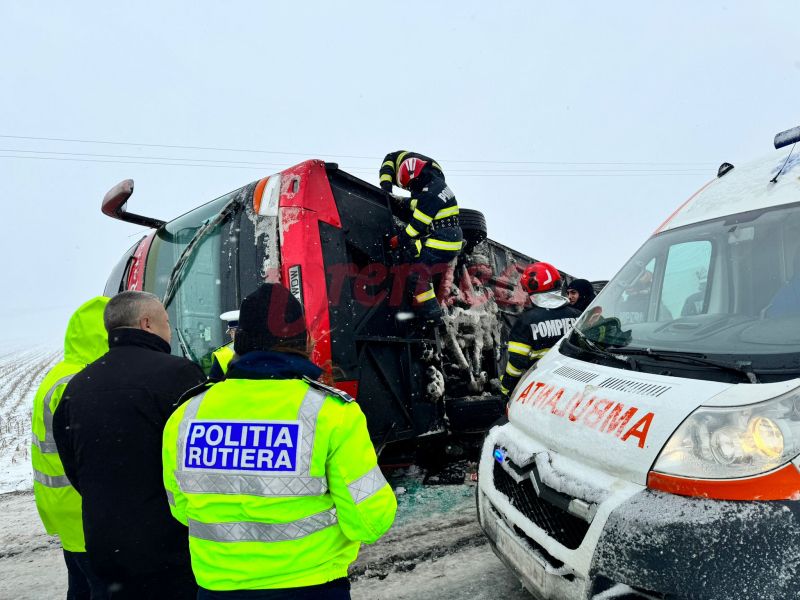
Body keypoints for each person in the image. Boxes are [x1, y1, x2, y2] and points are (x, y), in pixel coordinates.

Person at [163, 283, 397, 599]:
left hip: (217, 588)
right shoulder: (330, 413)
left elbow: (180, 508)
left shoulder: (186, 414)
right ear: (302, 342)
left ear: (239, 343)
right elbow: (369, 522)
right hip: (310, 586)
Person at [53, 291, 206, 600]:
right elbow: (197, 458)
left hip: (105, 547)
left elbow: (73, 466)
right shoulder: (178, 374)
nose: (170, 330)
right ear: (146, 323)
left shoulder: (78, 385)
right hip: (171, 548)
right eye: (166, 322)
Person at [32, 296, 110, 600]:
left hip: (62, 505)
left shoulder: (59, 374)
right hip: (81, 507)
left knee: (80, 586)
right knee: (100, 588)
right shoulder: (80, 381)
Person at [380, 150, 462, 325]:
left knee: (417, 275)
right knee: (413, 252)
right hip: (447, 236)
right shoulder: (436, 186)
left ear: (416, 177)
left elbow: (416, 226)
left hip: (442, 238)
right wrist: (402, 201)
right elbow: (420, 203)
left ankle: (434, 318)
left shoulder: (430, 193)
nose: (411, 190)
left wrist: (398, 240)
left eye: (411, 186)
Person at [500, 262, 581, 398]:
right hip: (574, 386)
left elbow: (516, 363)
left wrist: (506, 388)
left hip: (542, 389)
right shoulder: (578, 316)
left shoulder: (526, 321)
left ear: (531, 287)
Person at [208, 309, 239, 380]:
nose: (236, 334)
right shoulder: (222, 356)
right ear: (230, 333)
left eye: (238, 330)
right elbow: (213, 385)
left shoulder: (264, 350)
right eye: (233, 331)